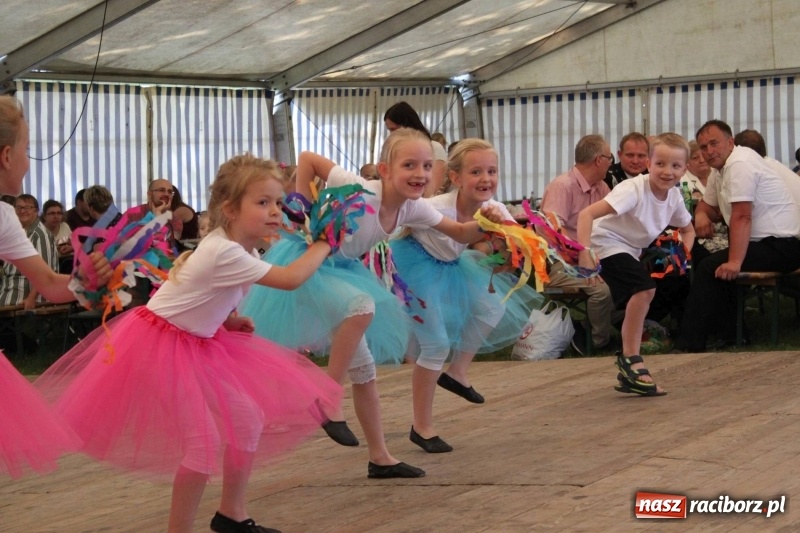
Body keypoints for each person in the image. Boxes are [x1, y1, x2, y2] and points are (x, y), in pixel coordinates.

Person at [36, 154, 342, 533]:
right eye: (262, 203)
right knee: (202, 444)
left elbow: (196, 291)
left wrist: (227, 320)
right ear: (230, 209)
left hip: (197, 342)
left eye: (278, 202)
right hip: (160, 347)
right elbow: (292, 277)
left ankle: (232, 514)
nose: (274, 211)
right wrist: (324, 243)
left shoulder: (237, 247)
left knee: (246, 419)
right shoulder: (226, 251)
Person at [240, 127, 504, 479]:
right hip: (312, 264)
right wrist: (299, 198)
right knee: (363, 307)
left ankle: (380, 457)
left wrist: (486, 224)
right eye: (409, 165)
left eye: (426, 166)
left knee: (364, 371)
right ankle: (326, 396)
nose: (420, 174)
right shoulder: (361, 190)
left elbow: (458, 232)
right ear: (384, 170)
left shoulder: (412, 208)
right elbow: (308, 159)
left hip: (343, 271)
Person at [389, 138, 542, 453]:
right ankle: (422, 426)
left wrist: (510, 247)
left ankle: (458, 372)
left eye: (492, 171)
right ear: (456, 178)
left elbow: (516, 246)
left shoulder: (495, 209)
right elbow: (393, 222)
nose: (486, 179)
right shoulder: (432, 207)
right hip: (410, 266)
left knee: (491, 309)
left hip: (450, 263)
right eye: (476, 172)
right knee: (435, 345)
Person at [0, 94, 111, 479]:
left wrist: (87, 279)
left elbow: (48, 283)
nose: (31, 161)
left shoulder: (4, 217)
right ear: (7, 156)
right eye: (29, 150)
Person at [577, 133, 695, 396]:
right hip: (603, 242)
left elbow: (688, 228)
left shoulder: (674, 198)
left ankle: (629, 362)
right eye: (661, 164)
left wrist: (682, 254)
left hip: (630, 251)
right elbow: (587, 214)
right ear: (648, 164)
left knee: (647, 290)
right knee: (645, 289)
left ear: (684, 169)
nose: (668, 171)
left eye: (676, 166)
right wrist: (584, 252)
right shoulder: (633, 189)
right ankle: (631, 359)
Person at [677, 120, 800, 352]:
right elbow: (709, 205)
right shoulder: (720, 168)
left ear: (730, 142)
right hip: (764, 244)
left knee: (709, 267)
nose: (708, 151)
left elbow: (742, 216)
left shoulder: (740, 163)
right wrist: (702, 214)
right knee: (706, 261)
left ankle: (690, 343)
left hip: (784, 246)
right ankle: (731, 334)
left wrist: (735, 261)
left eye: (714, 143)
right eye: (703, 147)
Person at [540, 134, 615, 353]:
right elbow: (551, 232)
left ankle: (583, 329)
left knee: (629, 282)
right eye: (610, 158)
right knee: (602, 292)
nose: (611, 163)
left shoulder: (601, 187)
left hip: (594, 258)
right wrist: (583, 255)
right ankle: (599, 343)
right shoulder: (563, 186)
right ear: (599, 160)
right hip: (560, 263)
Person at [0, 194, 59, 308]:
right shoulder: (16, 233)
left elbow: (44, 274)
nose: (22, 211)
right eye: (19, 207)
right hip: (7, 294)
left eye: (27, 207)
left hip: (24, 300)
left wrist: (31, 299)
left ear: (36, 212)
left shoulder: (40, 235)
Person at [384, 101, 447, 197]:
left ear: (407, 126)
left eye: (394, 129)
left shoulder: (435, 148)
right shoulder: (394, 152)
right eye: (390, 130)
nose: (392, 134)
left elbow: (434, 188)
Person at [679, 141, 726, 266]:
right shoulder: (683, 180)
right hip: (702, 234)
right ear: (686, 163)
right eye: (695, 158)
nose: (702, 160)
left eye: (703, 155)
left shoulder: (719, 174)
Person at [41, 199, 74, 269]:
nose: (56, 216)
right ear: (44, 216)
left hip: (67, 263)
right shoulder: (39, 230)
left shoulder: (64, 226)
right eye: (52, 213)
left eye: (59, 213)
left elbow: (75, 244)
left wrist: (70, 248)